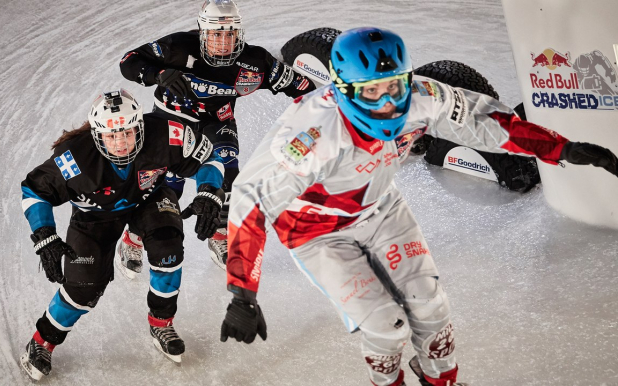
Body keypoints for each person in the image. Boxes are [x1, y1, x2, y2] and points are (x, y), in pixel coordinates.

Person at [218, 27, 618, 386]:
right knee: (384, 325)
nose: (389, 103)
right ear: (341, 91)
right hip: (316, 230)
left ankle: (438, 381)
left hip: (380, 207)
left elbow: (483, 120)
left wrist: (560, 147)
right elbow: (251, 196)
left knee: (432, 307)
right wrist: (242, 292)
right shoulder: (312, 132)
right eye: (371, 92)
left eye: (394, 86)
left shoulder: (423, 95)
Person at [19, 89, 225, 380]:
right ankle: (41, 342)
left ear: (140, 125)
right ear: (97, 134)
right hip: (94, 218)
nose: (121, 143)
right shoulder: (75, 156)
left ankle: (161, 322)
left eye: (128, 132)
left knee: (169, 251)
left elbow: (209, 157)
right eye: (112, 136)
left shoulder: (166, 132)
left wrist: (209, 191)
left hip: (148, 200)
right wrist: (44, 234)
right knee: (83, 289)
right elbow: (34, 190)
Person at [118, 0, 316, 273]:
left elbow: (300, 86)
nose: (223, 43)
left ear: (239, 34)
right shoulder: (177, 46)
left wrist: (329, 105)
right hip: (169, 118)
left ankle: (220, 231)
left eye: (229, 35)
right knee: (164, 182)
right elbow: (129, 61)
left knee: (227, 166)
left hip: (215, 121)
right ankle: (135, 235)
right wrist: (158, 74)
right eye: (215, 35)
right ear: (202, 32)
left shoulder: (256, 62)